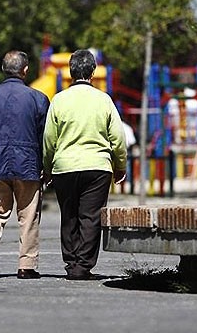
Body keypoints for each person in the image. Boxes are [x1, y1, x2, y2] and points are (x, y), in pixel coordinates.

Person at [43, 49, 127, 280]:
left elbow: (49, 139)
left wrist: (47, 167)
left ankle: (71, 263)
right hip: (97, 167)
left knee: (68, 215)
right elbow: (118, 139)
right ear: (92, 71)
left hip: (65, 167)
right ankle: (83, 266)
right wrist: (120, 165)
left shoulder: (59, 100)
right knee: (91, 217)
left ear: (70, 73)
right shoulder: (104, 100)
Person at [0, 50, 50, 279]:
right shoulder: (39, 98)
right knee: (29, 216)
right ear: (25, 70)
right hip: (28, 166)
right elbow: (45, 136)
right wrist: (46, 166)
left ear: (4, 70)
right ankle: (27, 265)